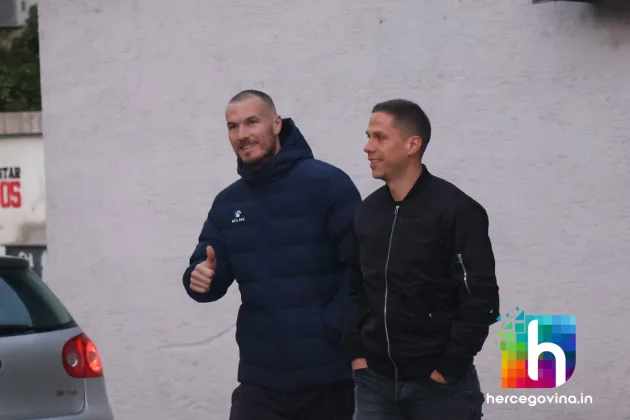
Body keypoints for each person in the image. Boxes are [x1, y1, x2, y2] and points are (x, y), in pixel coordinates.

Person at [182, 89, 361, 420]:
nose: (242, 135)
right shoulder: (228, 203)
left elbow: (363, 267)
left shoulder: (328, 184)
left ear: (277, 124)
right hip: (260, 379)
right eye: (233, 126)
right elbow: (207, 264)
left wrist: (332, 327)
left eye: (252, 122)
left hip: (328, 380)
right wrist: (200, 276)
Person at [343, 99, 500, 419]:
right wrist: (357, 355)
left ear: (412, 144)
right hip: (375, 385)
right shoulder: (367, 213)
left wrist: (448, 368)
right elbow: (353, 287)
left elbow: (480, 298)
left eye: (379, 137)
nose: (368, 147)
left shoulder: (457, 211)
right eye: (368, 137)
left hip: (440, 389)